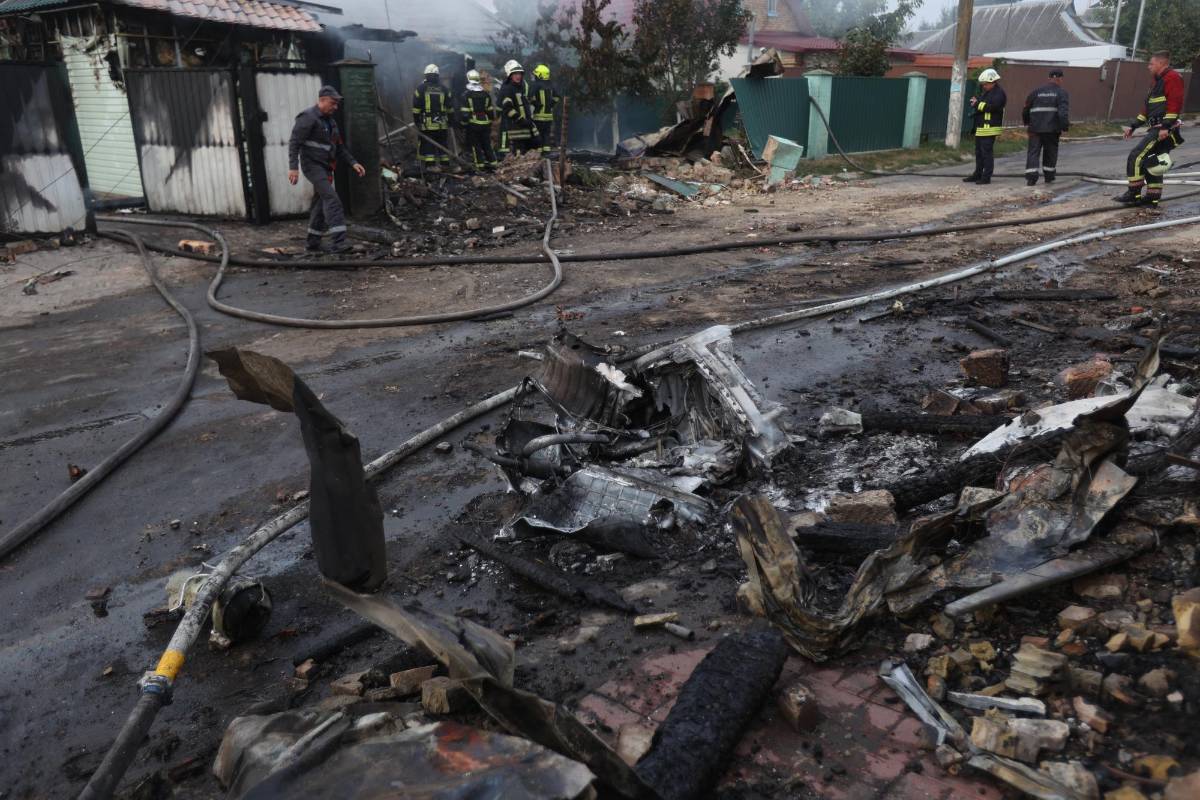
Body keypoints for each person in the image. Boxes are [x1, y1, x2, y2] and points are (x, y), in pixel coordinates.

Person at [288, 85, 366, 254]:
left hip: (326, 167)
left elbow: (339, 147)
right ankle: (339, 242)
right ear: (322, 101)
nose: (335, 107)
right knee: (332, 200)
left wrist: (353, 163)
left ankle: (312, 243)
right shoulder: (307, 117)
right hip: (312, 166)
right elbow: (294, 142)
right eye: (333, 103)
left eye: (337, 104)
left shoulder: (331, 122)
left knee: (320, 203)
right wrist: (293, 168)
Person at [1114, 51, 1185, 208]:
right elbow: (1147, 109)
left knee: (1136, 156)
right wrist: (1133, 126)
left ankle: (1133, 193)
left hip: (1163, 128)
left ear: (1161, 64)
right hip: (1156, 127)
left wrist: (1165, 127)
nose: (1148, 67)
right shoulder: (1156, 81)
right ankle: (1152, 198)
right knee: (1151, 161)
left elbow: (1175, 104)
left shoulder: (1172, 78)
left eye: (1151, 64)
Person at [1022, 69, 1070, 186]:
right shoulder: (1062, 93)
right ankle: (1049, 177)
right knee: (1050, 152)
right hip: (1052, 130)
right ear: (1060, 79)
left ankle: (1031, 178)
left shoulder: (1035, 92)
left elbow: (1025, 109)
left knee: (1033, 152)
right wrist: (1065, 126)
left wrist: (1027, 123)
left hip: (1035, 129)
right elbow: (1062, 113)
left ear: (1049, 78)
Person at [964, 68, 1006, 185]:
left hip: (990, 128)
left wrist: (977, 104)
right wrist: (976, 102)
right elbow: (984, 104)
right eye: (983, 84)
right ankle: (977, 174)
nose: (983, 86)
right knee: (979, 153)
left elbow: (992, 107)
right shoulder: (987, 92)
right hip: (981, 128)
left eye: (985, 84)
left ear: (992, 81)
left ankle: (986, 177)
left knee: (986, 153)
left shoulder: (999, 94)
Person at [412, 64, 451, 171]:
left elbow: (416, 108)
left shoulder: (420, 89)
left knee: (428, 143)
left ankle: (430, 166)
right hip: (442, 123)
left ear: (426, 76)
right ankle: (445, 164)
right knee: (443, 143)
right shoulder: (444, 89)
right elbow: (450, 108)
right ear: (437, 76)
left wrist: (417, 121)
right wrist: (451, 121)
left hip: (427, 124)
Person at [458, 69, 498, 171]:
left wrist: (462, 124)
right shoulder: (485, 94)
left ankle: (480, 167)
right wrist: (491, 121)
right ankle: (493, 164)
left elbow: (465, 114)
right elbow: (490, 112)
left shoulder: (466, 95)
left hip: (473, 124)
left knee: (476, 146)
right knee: (487, 144)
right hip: (485, 123)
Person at [498, 60, 539, 156]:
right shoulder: (507, 89)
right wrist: (520, 120)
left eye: (520, 73)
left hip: (526, 125)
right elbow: (507, 109)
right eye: (515, 74)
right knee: (519, 151)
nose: (518, 76)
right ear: (510, 75)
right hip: (517, 127)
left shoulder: (520, 87)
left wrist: (529, 120)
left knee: (534, 144)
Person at [529, 64, 559, 154]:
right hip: (548, 116)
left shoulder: (536, 85)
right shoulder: (551, 85)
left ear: (540, 75)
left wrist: (536, 104)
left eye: (536, 74)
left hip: (538, 116)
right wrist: (551, 105)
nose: (535, 76)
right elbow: (557, 97)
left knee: (538, 134)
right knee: (546, 134)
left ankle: (539, 152)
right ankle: (546, 152)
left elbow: (529, 96)